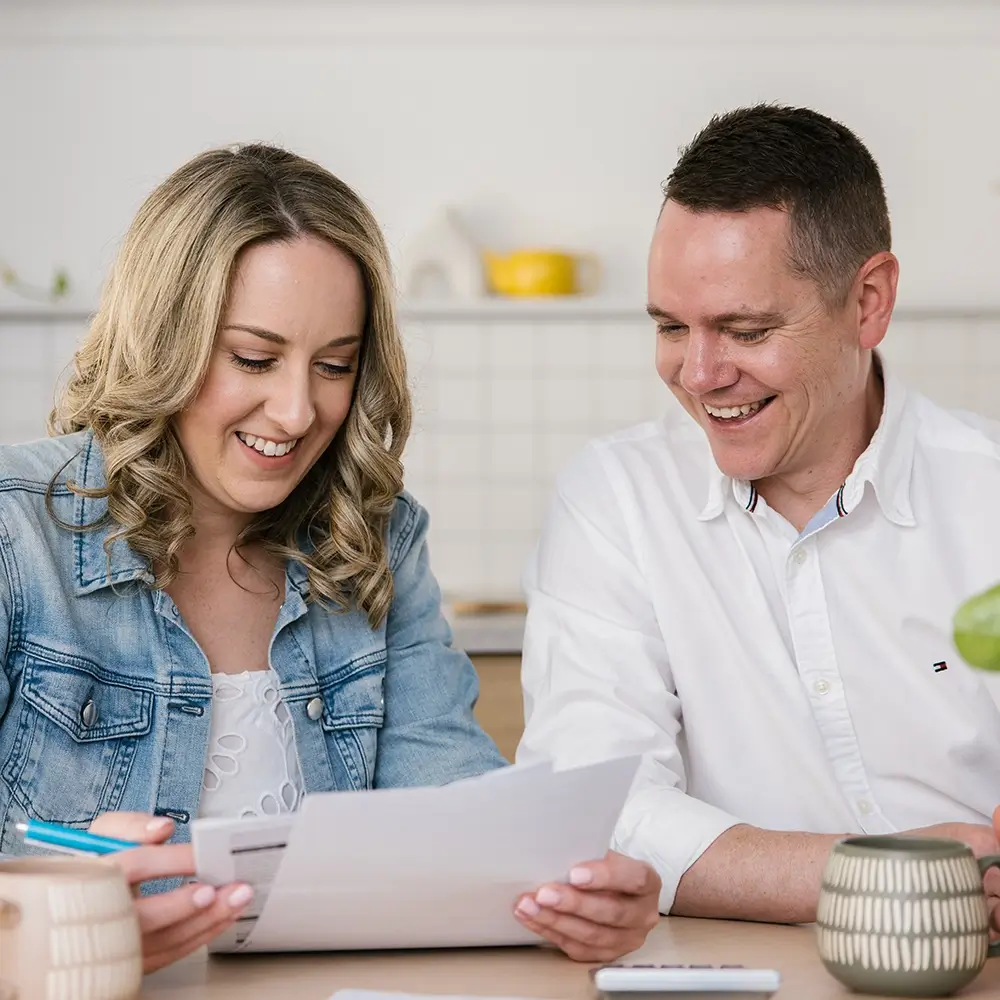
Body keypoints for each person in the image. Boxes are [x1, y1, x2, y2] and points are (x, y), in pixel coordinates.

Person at [0, 143, 660, 973]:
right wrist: (51, 911)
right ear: (162, 339)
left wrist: (567, 896)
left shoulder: (373, 543)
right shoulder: (16, 534)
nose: (297, 409)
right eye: (253, 358)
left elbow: (455, 820)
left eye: (335, 366)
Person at [517, 104, 1000, 927]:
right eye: (672, 327)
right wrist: (898, 875)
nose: (700, 374)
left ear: (869, 302)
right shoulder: (617, 500)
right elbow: (596, 806)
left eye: (746, 330)